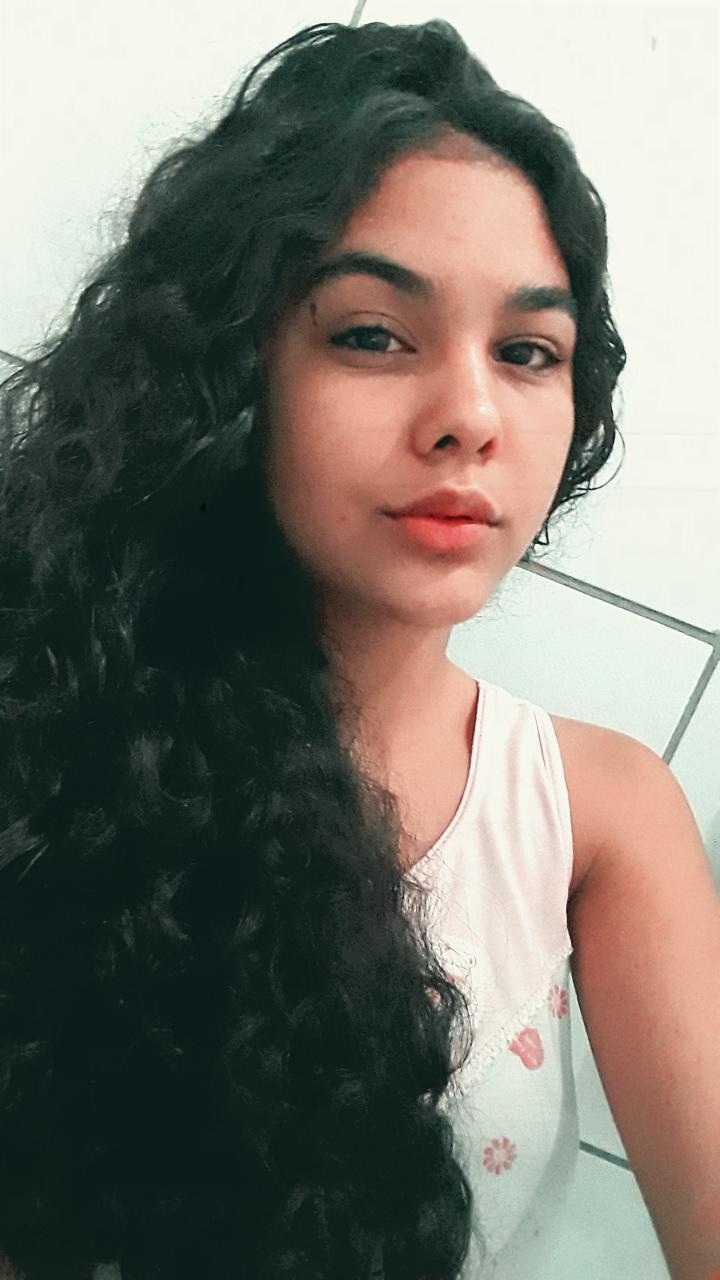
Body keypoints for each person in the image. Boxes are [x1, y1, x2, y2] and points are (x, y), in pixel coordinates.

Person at [0, 18, 626, 1280]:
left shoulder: (598, 813)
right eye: (373, 334)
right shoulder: (45, 746)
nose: (470, 417)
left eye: (527, 352)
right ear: (234, 374)